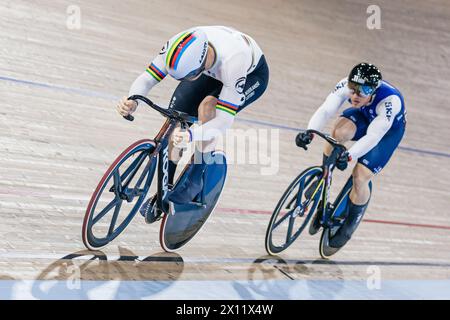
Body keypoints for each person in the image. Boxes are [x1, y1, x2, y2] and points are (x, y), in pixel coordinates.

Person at [116, 26, 269, 222]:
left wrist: (191, 135)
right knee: (177, 120)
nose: (183, 81)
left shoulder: (234, 62)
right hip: (210, 70)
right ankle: (165, 188)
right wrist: (133, 100)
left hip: (251, 75)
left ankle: (196, 176)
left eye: (186, 77)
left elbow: (223, 121)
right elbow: (147, 78)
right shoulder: (178, 45)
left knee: (207, 108)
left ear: (200, 65)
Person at [296, 62, 406, 248]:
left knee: (360, 176)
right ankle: (324, 176)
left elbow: (373, 136)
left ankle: (350, 223)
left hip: (387, 133)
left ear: (372, 91)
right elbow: (326, 110)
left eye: (360, 92)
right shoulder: (345, 86)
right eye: (352, 90)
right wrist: (310, 131)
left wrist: (349, 156)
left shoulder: (389, 102)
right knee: (338, 134)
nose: (354, 96)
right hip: (365, 115)